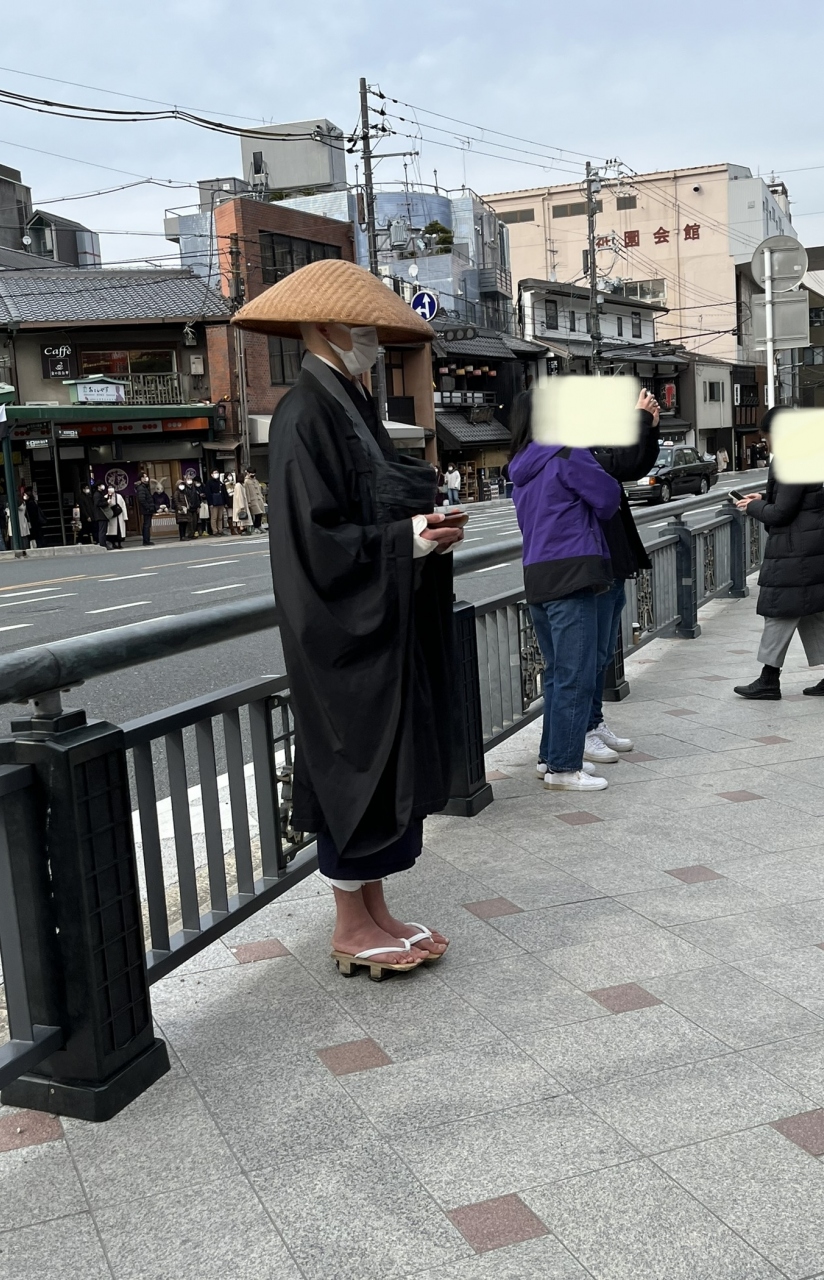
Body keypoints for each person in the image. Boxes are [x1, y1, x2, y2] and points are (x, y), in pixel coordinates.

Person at [232, 255, 459, 977]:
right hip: (340, 624)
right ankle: (348, 923)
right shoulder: (304, 412)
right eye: (365, 330)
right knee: (353, 758)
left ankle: (376, 908)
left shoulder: (348, 399)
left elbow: (376, 501)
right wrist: (405, 539)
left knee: (386, 757)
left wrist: (421, 531)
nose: (375, 343)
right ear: (328, 326)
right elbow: (317, 540)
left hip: (380, 611)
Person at [509, 390, 622, 790]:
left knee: (557, 673)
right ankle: (564, 768)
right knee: (576, 675)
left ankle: (550, 757)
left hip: (538, 574)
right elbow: (608, 498)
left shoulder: (521, 464)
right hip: (573, 571)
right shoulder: (567, 452)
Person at [734, 414, 824, 699]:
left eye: (767, 436)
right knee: (810, 611)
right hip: (810, 541)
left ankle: (768, 679)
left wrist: (752, 508)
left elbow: (781, 513)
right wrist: (763, 498)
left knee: (779, 609)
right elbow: (794, 498)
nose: (766, 442)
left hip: (797, 547)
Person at [588, 388, 662, 760]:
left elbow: (633, 464)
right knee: (586, 658)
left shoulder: (590, 448)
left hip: (612, 562)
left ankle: (593, 722)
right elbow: (623, 463)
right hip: (592, 566)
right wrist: (642, 421)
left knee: (601, 654)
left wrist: (649, 428)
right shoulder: (572, 453)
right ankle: (581, 732)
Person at [135, 472, 156, 546]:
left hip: (147, 509)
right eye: (145, 477)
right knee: (146, 525)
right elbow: (142, 499)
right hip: (146, 509)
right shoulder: (141, 488)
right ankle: (146, 541)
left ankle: (147, 540)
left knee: (147, 525)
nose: (146, 478)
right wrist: (148, 507)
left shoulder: (144, 487)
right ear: (141, 479)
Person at [204, 469, 228, 535]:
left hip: (221, 502)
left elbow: (224, 492)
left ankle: (220, 530)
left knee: (220, 517)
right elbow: (208, 493)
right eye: (215, 473)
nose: (216, 474)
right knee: (214, 517)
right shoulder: (209, 482)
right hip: (213, 503)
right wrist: (210, 503)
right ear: (211, 474)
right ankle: (215, 531)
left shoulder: (220, 482)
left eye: (217, 472)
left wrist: (225, 502)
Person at [92, 483, 111, 549]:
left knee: (103, 530)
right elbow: (98, 504)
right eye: (101, 485)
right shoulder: (97, 494)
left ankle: (103, 543)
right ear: (98, 486)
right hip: (101, 514)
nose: (103, 486)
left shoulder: (99, 493)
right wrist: (106, 502)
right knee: (102, 530)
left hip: (102, 514)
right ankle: (103, 544)